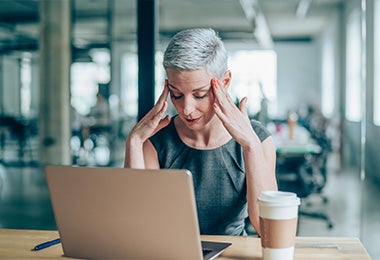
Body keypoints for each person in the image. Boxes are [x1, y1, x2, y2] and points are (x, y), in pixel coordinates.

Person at [124, 28, 277, 236]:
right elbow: (138, 226)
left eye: (200, 95)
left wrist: (250, 146)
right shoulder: (156, 142)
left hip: (232, 252)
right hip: (171, 252)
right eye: (176, 95)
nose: (186, 109)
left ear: (224, 83)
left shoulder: (258, 139)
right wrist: (134, 142)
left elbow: (268, 229)